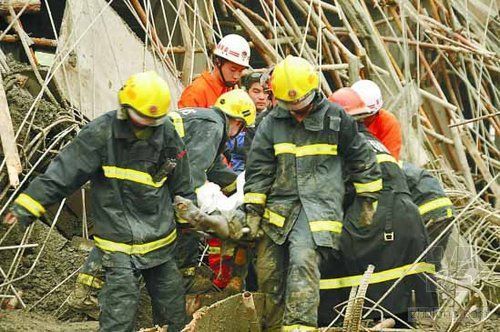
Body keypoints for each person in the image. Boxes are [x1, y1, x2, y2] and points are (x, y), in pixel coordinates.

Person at [3, 72, 193, 332]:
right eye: (142, 119)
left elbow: (182, 182)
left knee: (174, 316)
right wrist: (27, 205)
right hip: (118, 245)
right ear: (125, 108)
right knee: (119, 317)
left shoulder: (167, 133)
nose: (146, 126)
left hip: (160, 242)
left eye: (153, 121)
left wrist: (188, 218)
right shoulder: (101, 133)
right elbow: (63, 173)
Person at [244, 56, 382, 330]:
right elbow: (259, 168)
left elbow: (362, 158)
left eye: (301, 103)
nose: (297, 110)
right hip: (279, 213)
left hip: (319, 212)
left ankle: (299, 327)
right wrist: (253, 210)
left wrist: (367, 200)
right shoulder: (271, 123)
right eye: (290, 104)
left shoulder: (336, 118)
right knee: (268, 274)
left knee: (302, 264)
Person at [321, 88, 437, 327]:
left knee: (332, 271)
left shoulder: (347, 146)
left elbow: (340, 192)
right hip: (408, 221)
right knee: (399, 300)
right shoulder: (374, 142)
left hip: (376, 220)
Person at [169, 89, 256, 291]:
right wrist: (189, 211)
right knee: (187, 224)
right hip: (155, 172)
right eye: (241, 128)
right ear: (237, 122)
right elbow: (193, 172)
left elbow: (215, 168)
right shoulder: (214, 127)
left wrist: (239, 187)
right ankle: (185, 279)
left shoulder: (207, 120)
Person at [403, 162, 454, 271]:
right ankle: (435, 284)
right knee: (432, 262)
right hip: (446, 212)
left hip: (429, 214)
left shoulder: (389, 171)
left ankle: (429, 286)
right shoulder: (403, 166)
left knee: (421, 264)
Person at [178, 34, 251, 108]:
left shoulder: (232, 89)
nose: (236, 76)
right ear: (218, 62)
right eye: (233, 70)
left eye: (240, 71)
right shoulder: (195, 93)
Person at [226, 71, 271, 173]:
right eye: (256, 91)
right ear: (246, 92)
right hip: (229, 172)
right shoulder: (233, 115)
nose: (262, 97)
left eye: (266, 92)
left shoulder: (272, 121)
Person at [351, 79, 402, 159]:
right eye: (358, 116)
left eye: (365, 116)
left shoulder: (388, 123)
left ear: (376, 112)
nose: (361, 120)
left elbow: (390, 161)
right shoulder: (344, 120)